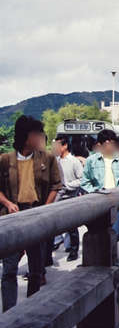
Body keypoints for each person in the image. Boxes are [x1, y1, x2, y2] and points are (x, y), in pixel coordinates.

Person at [0, 115, 62, 312]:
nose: (39, 138)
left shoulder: (47, 158)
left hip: (36, 214)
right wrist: (8, 203)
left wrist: (45, 208)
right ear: (25, 136)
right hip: (12, 216)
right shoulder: (5, 160)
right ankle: (9, 312)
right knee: (9, 269)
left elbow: (56, 185)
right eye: (36, 134)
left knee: (36, 269)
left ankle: (30, 310)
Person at [80, 130, 119, 240]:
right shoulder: (91, 161)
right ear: (100, 144)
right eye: (108, 144)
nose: (111, 147)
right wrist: (95, 191)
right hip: (98, 201)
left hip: (116, 200)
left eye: (113, 144)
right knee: (99, 232)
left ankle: (116, 250)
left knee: (115, 231)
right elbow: (84, 182)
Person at [53, 135, 84, 261]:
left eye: (57, 145)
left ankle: (73, 250)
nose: (55, 148)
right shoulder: (55, 161)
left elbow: (81, 179)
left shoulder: (74, 161)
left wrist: (67, 185)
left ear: (65, 146)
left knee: (72, 226)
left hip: (70, 197)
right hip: (57, 197)